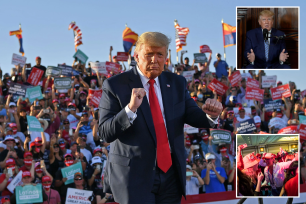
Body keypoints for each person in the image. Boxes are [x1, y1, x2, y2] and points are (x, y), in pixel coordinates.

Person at [99, 32, 223, 204]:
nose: (154, 60)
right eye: (149, 54)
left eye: (160, 55)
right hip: (134, 176)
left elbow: (194, 115)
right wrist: (130, 108)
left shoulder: (177, 82)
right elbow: (105, 132)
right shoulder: (115, 85)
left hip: (171, 174)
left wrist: (211, 114)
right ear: (136, 56)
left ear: (166, 57)